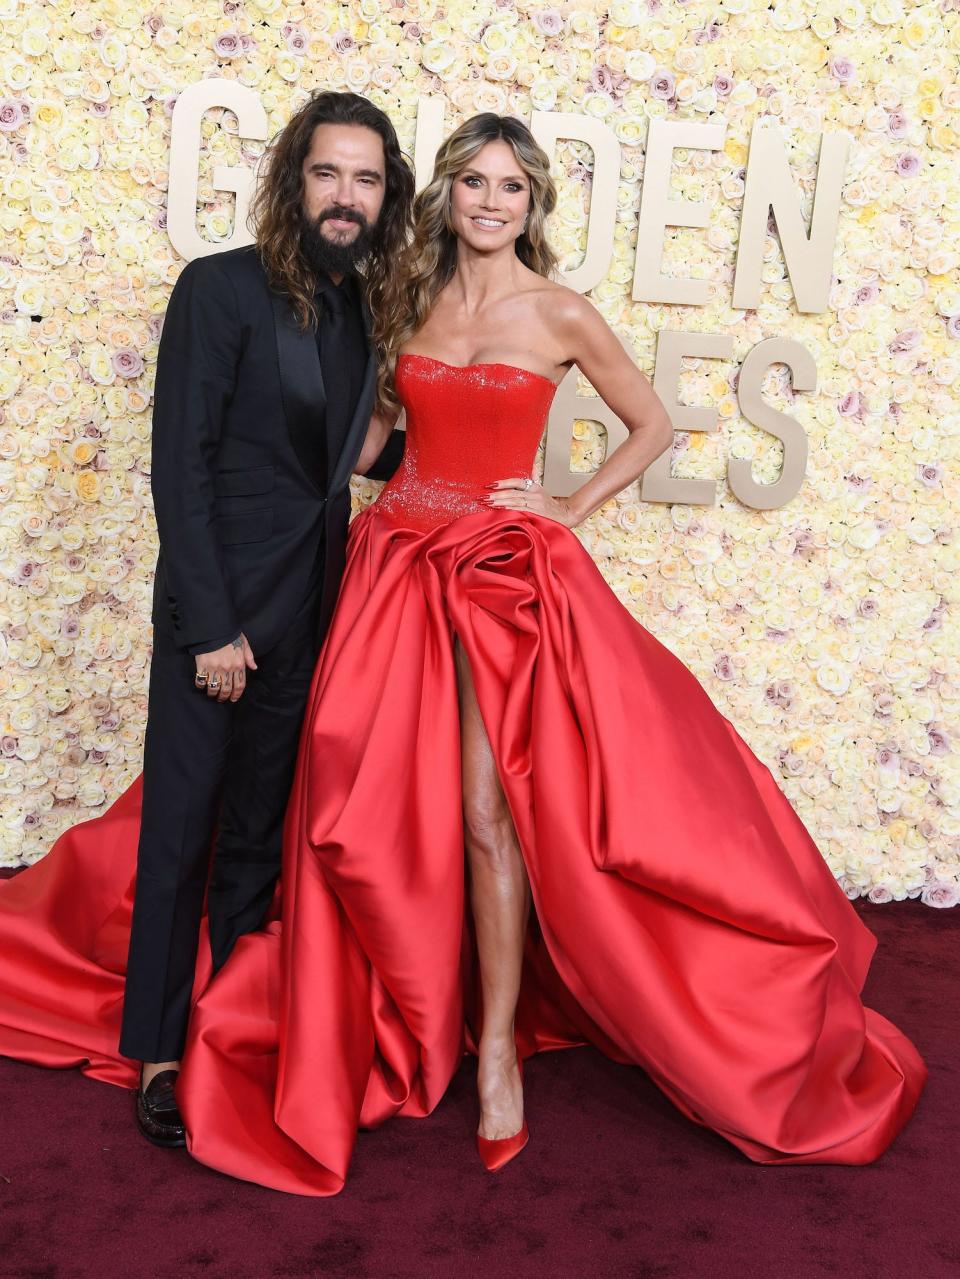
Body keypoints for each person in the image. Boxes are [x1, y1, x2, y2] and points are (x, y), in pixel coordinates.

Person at [0, 113, 926, 1197]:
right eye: (473, 183)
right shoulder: (398, 299)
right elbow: (366, 439)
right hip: (391, 568)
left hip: (496, 578)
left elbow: (652, 424)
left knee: (491, 815)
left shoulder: (558, 309)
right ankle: (289, 1014)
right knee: (350, 799)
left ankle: (492, 1052)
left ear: (531, 202)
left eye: (510, 187)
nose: (490, 203)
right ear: (441, 195)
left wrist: (567, 506)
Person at [0, 90, 413, 1147]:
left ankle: (229, 1029)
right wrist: (208, 627)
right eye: (329, 173)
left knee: (258, 837)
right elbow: (178, 467)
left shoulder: (370, 307)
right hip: (218, 605)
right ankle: (159, 1050)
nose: (346, 196)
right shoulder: (219, 288)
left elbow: (358, 459)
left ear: (385, 196)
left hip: (315, 609)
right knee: (180, 833)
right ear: (294, 178)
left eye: (366, 179)